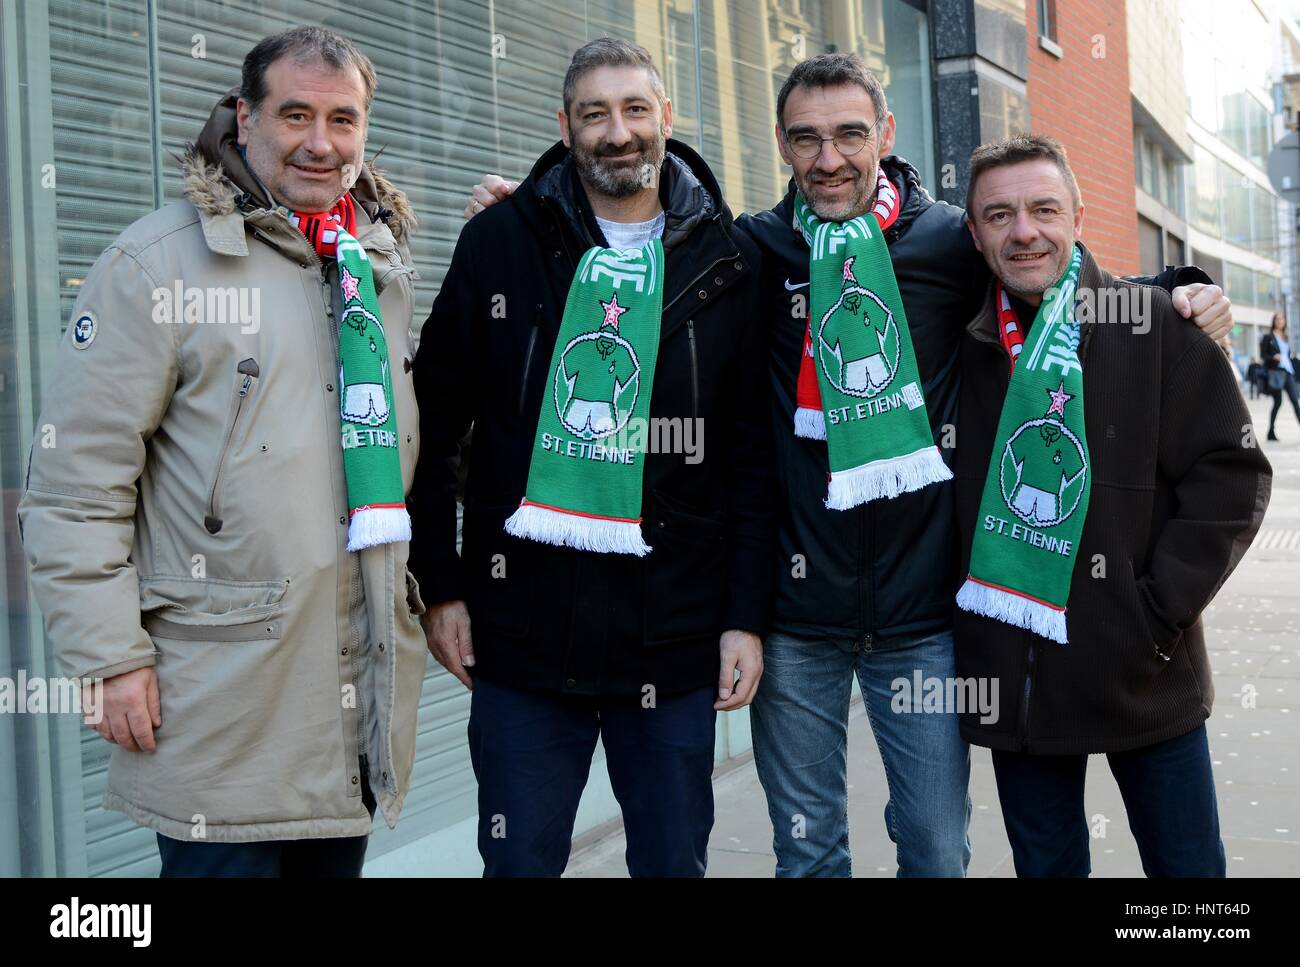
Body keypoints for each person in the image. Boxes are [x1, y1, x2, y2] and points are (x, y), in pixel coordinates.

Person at [465, 52, 1235, 879]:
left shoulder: (949, 241)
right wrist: (535, 219)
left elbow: (1045, 264)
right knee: (807, 850)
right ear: (782, 146)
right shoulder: (748, 251)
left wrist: (1179, 288)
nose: (828, 157)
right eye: (806, 138)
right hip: (798, 622)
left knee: (938, 850)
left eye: (848, 134)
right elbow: (637, 247)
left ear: (886, 134)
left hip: (924, 621)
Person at [18, 26, 427, 877]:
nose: (321, 143)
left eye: (344, 120)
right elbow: (73, 488)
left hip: (348, 712)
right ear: (244, 119)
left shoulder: (373, 268)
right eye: (296, 114)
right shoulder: (156, 263)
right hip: (219, 703)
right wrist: (109, 658)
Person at [407, 38, 772, 877]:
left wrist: (743, 616)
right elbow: (431, 429)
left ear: (666, 120)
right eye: (595, 113)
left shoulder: (728, 261)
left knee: (672, 865)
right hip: (522, 638)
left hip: (673, 637)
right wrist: (443, 585)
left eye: (635, 109)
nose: (618, 132)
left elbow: (750, 461)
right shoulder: (500, 242)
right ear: (565, 125)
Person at [953, 134, 1272, 877]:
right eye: (998, 215)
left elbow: (1232, 474)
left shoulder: (1154, 324)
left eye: (1042, 209)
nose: (1023, 230)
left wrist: (1154, 612)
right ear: (973, 232)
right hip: (1018, 685)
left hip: (1147, 676)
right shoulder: (957, 343)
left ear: (1078, 216)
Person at [1260, 311, 1300, 440]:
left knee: (1295, 400)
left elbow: (1289, 356)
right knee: (1278, 402)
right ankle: (1271, 432)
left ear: (1285, 321)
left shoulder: (1287, 337)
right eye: (1277, 319)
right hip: (1276, 372)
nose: (1279, 321)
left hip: (1288, 372)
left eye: (1282, 319)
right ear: (1274, 321)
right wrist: (1273, 357)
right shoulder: (1268, 337)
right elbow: (1263, 356)